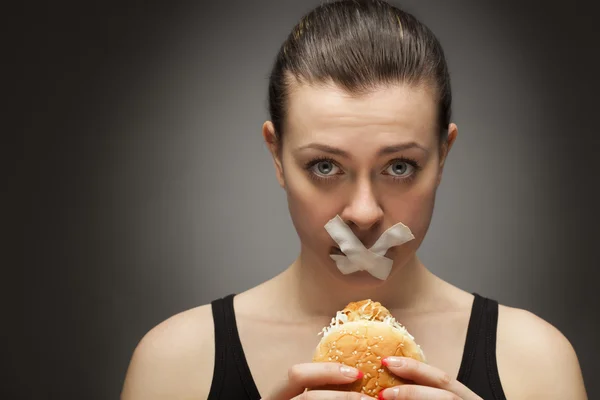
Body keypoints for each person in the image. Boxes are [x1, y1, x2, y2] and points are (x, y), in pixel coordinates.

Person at [121, 1, 588, 399]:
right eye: (325, 166)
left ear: (442, 156)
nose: (364, 213)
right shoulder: (176, 365)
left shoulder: (534, 363)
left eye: (399, 166)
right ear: (277, 156)